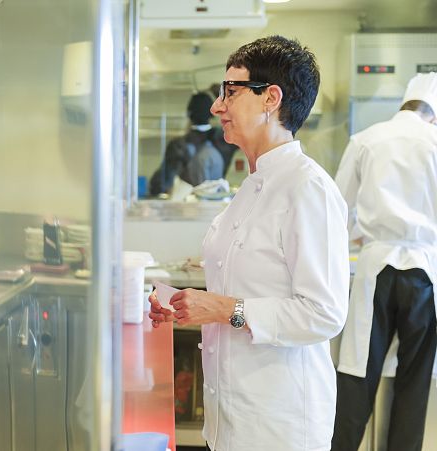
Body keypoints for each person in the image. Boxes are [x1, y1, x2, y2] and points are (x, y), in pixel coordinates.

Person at [148, 36, 349, 451]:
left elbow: (324, 313)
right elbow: (247, 290)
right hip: (232, 419)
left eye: (230, 92)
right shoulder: (250, 187)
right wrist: (186, 306)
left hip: (281, 423)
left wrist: (221, 308)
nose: (216, 106)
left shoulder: (307, 188)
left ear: (270, 98)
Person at [332, 73, 437, 451]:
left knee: (358, 375)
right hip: (424, 272)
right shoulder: (434, 141)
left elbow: (336, 210)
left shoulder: (367, 138)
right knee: (414, 381)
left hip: (376, 268)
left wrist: (359, 233)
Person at [149, 92, 237, 196]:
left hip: (188, 206)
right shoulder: (224, 139)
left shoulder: (178, 145)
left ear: (189, 114)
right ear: (212, 114)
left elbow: (159, 185)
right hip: (218, 202)